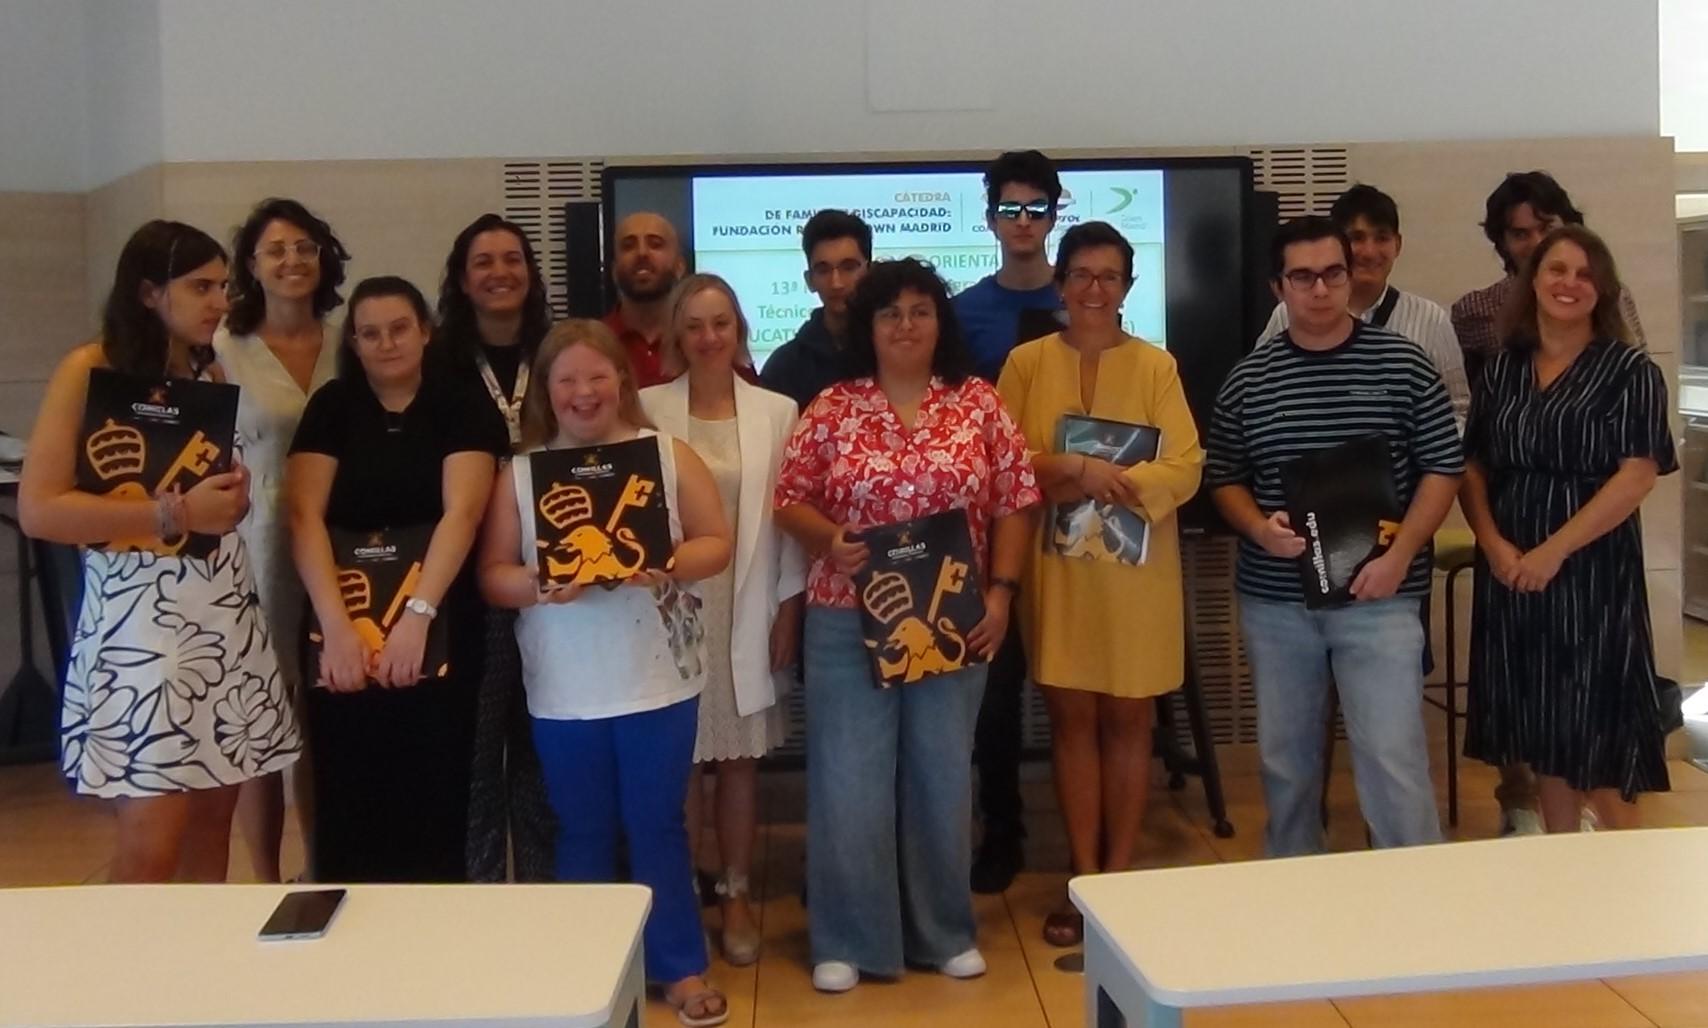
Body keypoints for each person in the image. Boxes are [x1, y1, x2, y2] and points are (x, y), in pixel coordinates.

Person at [774, 258, 1040, 993]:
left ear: (940, 322)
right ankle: (846, 939)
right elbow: (790, 499)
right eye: (890, 313)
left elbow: (1016, 500)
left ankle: (943, 931)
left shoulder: (978, 404)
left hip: (954, 615)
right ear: (868, 326)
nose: (905, 325)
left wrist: (1004, 594)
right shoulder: (831, 406)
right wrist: (828, 538)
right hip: (844, 618)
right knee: (848, 781)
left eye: (920, 311)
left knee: (942, 776)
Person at [20, 219, 300, 882]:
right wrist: (171, 511)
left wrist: (232, 502)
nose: (219, 301)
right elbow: (39, 509)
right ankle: (119, 982)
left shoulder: (210, 366)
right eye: (201, 286)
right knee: (152, 845)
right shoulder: (90, 368)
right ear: (149, 293)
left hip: (221, 615)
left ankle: (198, 980)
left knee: (212, 829)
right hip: (140, 630)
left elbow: (218, 494)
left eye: (223, 286)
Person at [477, 320, 733, 1027]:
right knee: (581, 829)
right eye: (567, 380)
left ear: (622, 379)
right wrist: (538, 584)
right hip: (565, 689)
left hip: (658, 680)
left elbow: (717, 541)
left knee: (657, 824)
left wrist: (670, 563)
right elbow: (493, 576)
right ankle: (583, 966)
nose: (584, 392)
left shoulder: (664, 455)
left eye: (597, 376)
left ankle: (679, 967)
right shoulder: (522, 473)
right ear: (547, 393)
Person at [1205, 217, 1463, 858]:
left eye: (1333, 273)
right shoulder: (1249, 380)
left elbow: (1443, 468)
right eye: (1303, 276)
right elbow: (1225, 479)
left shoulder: (1402, 363)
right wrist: (1258, 528)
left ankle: (1415, 898)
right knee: (1285, 761)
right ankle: (1295, 892)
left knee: (1393, 756)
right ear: (1278, 287)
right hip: (1277, 603)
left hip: (1381, 596)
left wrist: (1399, 557)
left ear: (1350, 278)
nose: (1320, 289)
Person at [995, 222, 1203, 946]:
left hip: (1137, 576)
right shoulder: (1024, 363)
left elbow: (1185, 465)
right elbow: (1006, 462)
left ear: (1127, 287)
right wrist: (1071, 469)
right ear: (1060, 283)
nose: (1093, 290)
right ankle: (1081, 878)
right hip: (1058, 572)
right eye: (1080, 275)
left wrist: (1113, 480)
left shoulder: (1156, 366)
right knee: (1072, 722)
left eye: (1108, 277)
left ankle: (1119, 877)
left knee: (1129, 723)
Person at [286, 276, 506, 882]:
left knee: (434, 787)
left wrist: (418, 616)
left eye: (399, 328)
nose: (386, 344)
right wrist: (336, 627)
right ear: (353, 343)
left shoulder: (461, 402)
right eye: (370, 333)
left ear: (427, 331)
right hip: (341, 621)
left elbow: (463, 512)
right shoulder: (331, 406)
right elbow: (303, 515)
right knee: (349, 788)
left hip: (439, 621)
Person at [1451, 170, 1649, 836]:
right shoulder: (1504, 367)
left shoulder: (1629, 370)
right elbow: (1473, 465)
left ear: (1603, 289)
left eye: (1585, 273)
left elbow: (1637, 475)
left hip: (1590, 573)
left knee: (1599, 741)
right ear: (1531, 276)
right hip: (1513, 574)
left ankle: (1641, 892)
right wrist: (1499, 547)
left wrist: (1550, 552)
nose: (1569, 282)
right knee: (1544, 737)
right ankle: (1564, 873)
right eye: (1555, 269)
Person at [640, 274, 805, 967]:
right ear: (677, 336)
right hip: (669, 613)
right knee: (678, 765)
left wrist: (787, 610)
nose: (709, 338)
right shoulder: (645, 408)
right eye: (695, 326)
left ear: (739, 330)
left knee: (738, 764)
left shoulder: (777, 409)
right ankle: (682, 898)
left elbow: (789, 523)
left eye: (722, 324)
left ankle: (736, 893)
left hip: (748, 603)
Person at [215, 197, 348, 883]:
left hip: (341, 538)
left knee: (325, 714)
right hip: (256, 545)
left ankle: (322, 864)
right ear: (251, 266)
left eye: (304, 246)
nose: (292, 260)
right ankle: (264, 879)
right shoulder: (223, 347)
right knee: (263, 715)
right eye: (275, 250)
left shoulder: (350, 339)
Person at [953, 148, 1064, 894]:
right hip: (992, 529)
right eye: (1009, 209)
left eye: (1036, 208)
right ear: (990, 218)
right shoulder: (963, 314)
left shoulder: (1089, 296)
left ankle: (1083, 824)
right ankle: (1002, 823)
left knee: (1076, 683)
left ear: (1056, 214)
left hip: (1082, 528)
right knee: (993, 690)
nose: (1022, 223)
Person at [436, 213, 557, 882]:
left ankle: (545, 900)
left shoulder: (562, 350)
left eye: (513, 259)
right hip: (469, 584)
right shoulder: (436, 362)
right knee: (478, 755)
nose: (500, 272)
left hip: (558, 577)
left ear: (532, 273)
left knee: (541, 752)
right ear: (461, 278)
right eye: (483, 261)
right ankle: (479, 902)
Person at [1256, 184, 1469, 425]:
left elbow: (1458, 411)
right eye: (1356, 238)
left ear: (1397, 245)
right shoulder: (1288, 313)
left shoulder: (1430, 319)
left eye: (1382, 238)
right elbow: (1260, 395)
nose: (1369, 251)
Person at [1453, 171, 1646, 387]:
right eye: (1520, 234)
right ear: (1502, 242)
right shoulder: (1476, 310)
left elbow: (1637, 379)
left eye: (1547, 229)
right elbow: (1470, 401)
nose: (1537, 243)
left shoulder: (1609, 293)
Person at [759, 209, 872, 410]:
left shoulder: (894, 352)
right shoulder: (785, 368)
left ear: (870, 272)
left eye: (848, 267)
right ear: (809, 280)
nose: (836, 283)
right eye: (823, 270)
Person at [606, 211, 687, 388]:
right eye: (628, 246)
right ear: (614, 271)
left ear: (679, 267)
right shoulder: (593, 344)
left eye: (655, 244)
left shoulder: (704, 342)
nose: (642, 253)